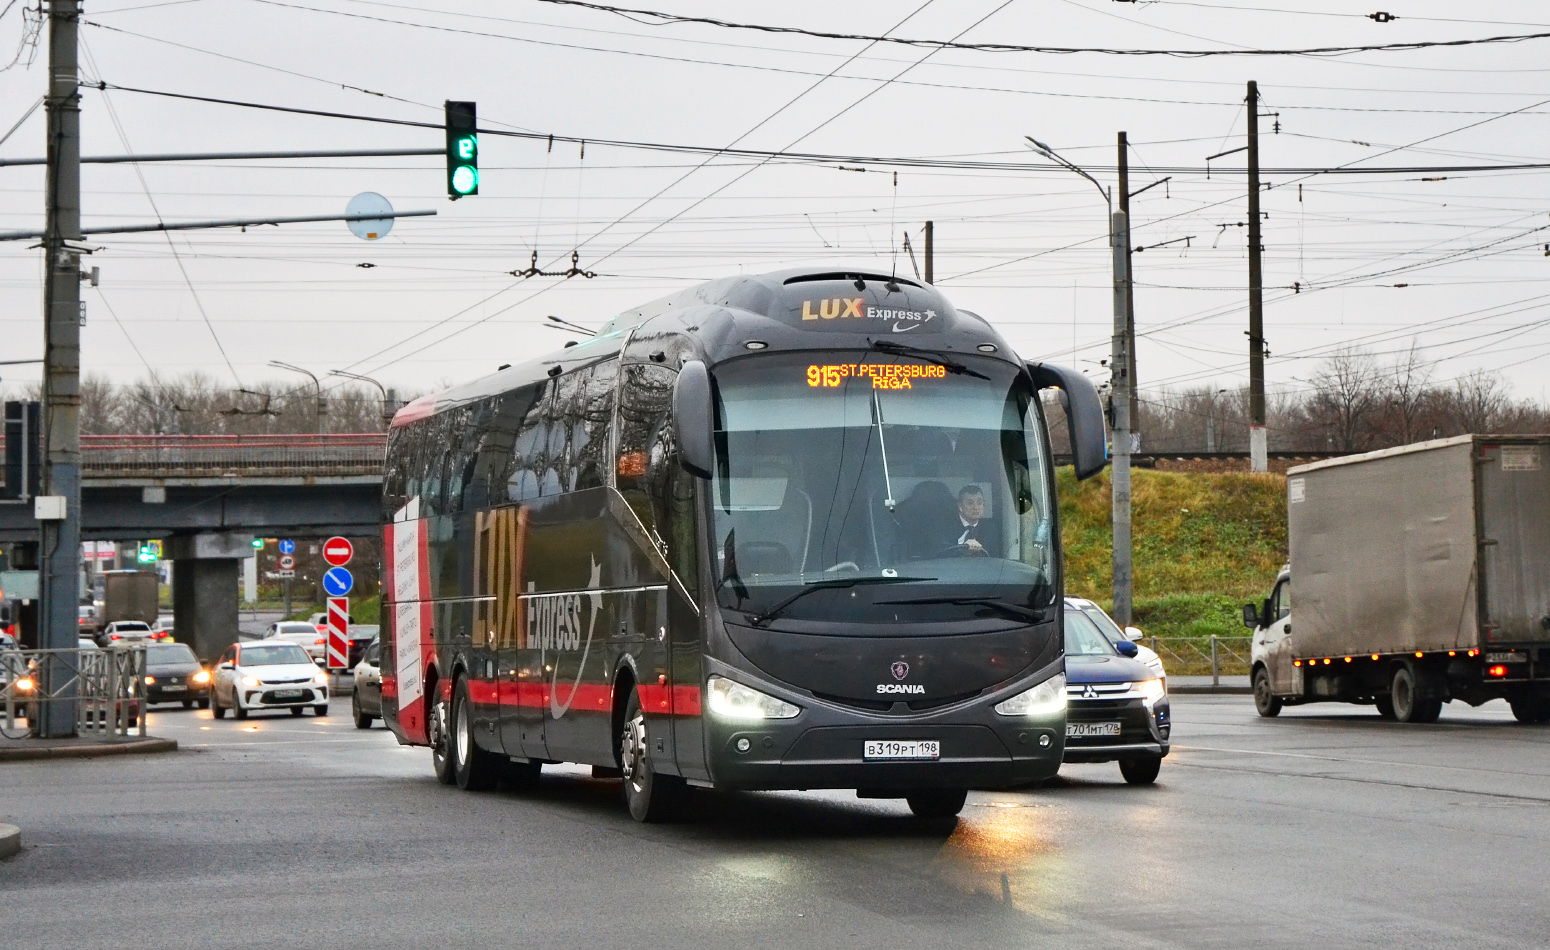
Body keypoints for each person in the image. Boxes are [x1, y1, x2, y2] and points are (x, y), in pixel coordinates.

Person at [948, 484, 999, 556]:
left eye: (979, 503)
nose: (976, 507)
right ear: (960, 506)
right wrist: (962, 551)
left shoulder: (990, 529)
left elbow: (993, 556)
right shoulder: (946, 527)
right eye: (970, 503)